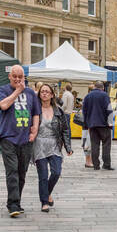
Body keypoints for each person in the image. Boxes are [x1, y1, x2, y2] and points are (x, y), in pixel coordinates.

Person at [0, 65, 40, 218]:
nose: (17, 79)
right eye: (14, 76)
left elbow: (35, 112)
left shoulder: (31, 94)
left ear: (24, 77)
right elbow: (3, 105)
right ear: (10, 77)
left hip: (25, 139)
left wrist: (35, 128)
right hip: (8, 137)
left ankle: (16, 201)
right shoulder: (3, 90)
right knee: (12, 170)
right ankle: (13, 204)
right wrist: (17, 91)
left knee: (22, 173)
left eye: (20, 76)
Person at [32, 83, 72, 212]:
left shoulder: (58, 110)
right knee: (43, 175)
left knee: (56, 172)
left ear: (52, 95)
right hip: (39, 144)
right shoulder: (34, 109)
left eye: (47, 91)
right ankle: (44, 202)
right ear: (39, 94)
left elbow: (65, 129)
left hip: (54, 144)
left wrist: (68, 146)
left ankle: (47, 193)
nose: (44, 93)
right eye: (42, 91)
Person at [81, 80, 113, 171]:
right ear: (102, 88)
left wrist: (87, 124)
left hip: (92, 124)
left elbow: (84, 111)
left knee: (95, 145)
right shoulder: (105, 95)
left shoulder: (87, 96)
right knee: (106, 144)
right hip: (104, 124)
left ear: (94, 87)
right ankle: (106, 164)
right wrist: (110, 122)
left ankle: (96, 165)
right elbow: (109, 110)